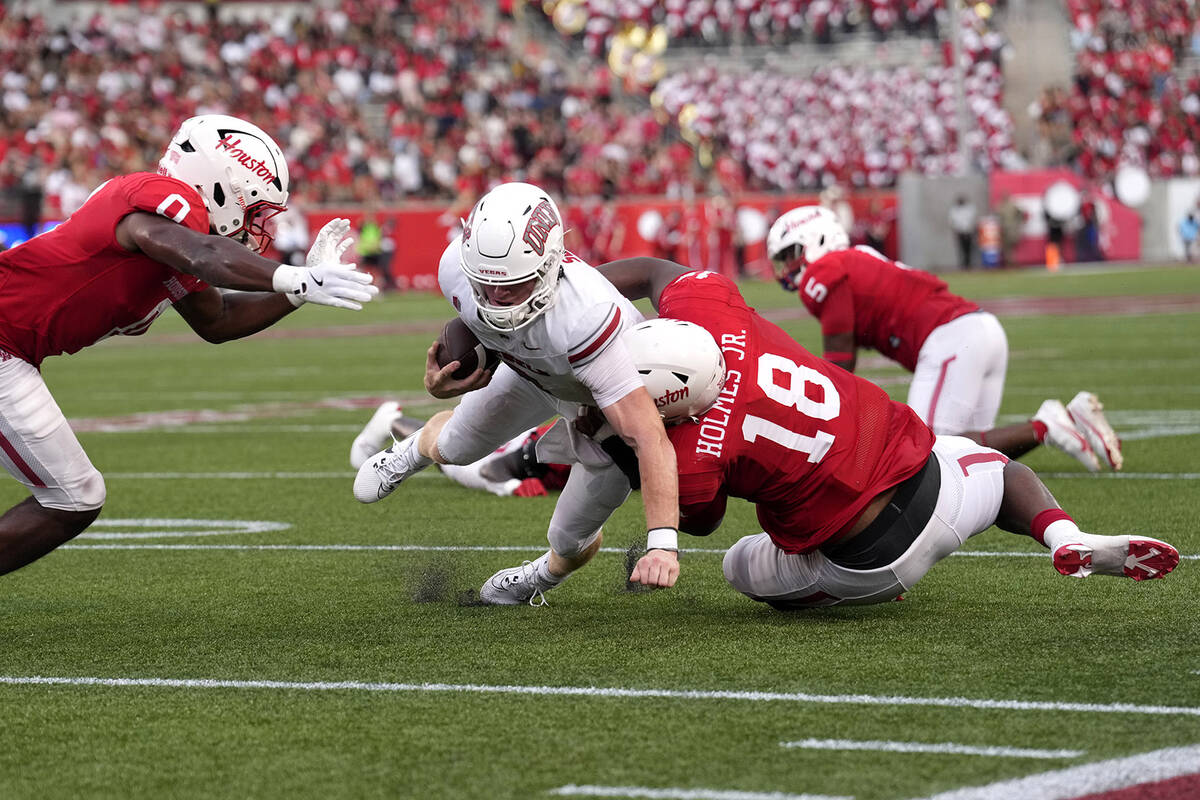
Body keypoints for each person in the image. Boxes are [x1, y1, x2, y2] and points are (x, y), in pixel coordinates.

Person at [599, 261, 1178, 610]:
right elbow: (655, 269)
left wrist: (625, 442)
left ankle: (845, 596)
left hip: (866, 563)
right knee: (999, 473)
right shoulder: (716, 317)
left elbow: (699, 517)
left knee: (739, 565)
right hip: (933, 486)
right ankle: (1063, 536)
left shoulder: (692, 454)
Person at [0, 113, 378, 576]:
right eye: (255, 209)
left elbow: (217, 319)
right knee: (72, 496)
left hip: (13, 349)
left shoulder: (175, 245)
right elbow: (206, 254)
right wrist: (292, 273)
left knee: (74, 495)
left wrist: (298, 293)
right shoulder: (167, 202)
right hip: (4, 344)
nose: (258, 225)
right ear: (223, 185)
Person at [352, 181, 680, 605]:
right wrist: (444, 378)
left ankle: (538, 578)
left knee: (568, 537)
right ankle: (411, 450)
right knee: (453, 448)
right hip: (533, 372)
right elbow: (474, 327)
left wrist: (662, 544)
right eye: (485, 284)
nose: (496, 296)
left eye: (513, 284)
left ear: (550, 265)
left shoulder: (586, 320)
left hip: (599, 406)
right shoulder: (457, 269)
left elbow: (649, 436)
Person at [764, 205, 1122, 473]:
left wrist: (822, 414)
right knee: (969, 458)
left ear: (817, 241)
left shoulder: (827, 270)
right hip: (980, 330)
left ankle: (1046, 424)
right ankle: (1070, 419)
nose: (787, 267)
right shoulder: (857, 259)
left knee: (925, 452)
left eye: (790, 255)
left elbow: (840, 360)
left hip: (951, 338)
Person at [349, 401, 570, 497]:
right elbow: (493, 469)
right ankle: (391, 422)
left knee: (450, 441)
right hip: (497, 456)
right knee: (449, 453)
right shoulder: (571, 441)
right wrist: (511, 486)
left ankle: (391, 421)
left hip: (519, 436)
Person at [948, 194, 977, 269]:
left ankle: (969, 264)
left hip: (968, 232)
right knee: (961, 249)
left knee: (969, 249)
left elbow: (972, 220)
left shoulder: (969, 208)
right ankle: (963, 264)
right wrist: (955, 232)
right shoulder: (954, 210)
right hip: (960, 232)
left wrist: (972, 230)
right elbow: (952, 222)